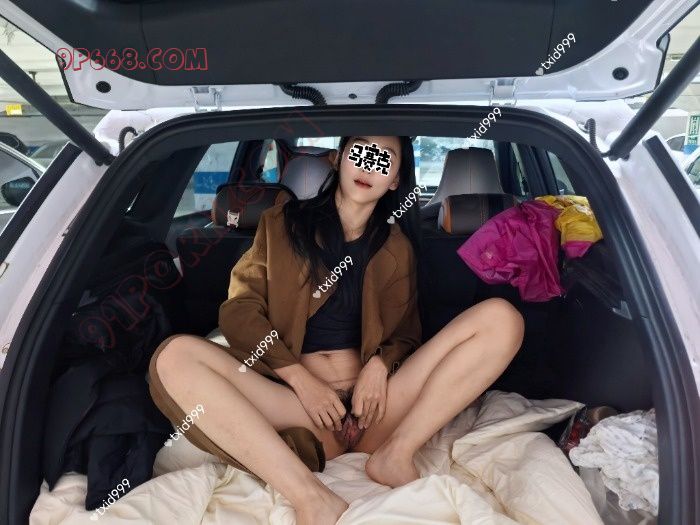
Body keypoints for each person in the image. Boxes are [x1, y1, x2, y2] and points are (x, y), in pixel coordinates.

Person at [149, 136, 525, 525]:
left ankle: (395, 453)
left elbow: (406, 334)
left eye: (384, 159)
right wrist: (299, 379)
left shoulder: (397, 245)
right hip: (301, 409)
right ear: (339, 158)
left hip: (375, 412)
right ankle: (311, 497)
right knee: (175, 356)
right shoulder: (281, 224)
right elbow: (239, 310)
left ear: (395, 179)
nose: (369, 166)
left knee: (502, 318)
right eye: (360, 152)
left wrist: (379, 367)